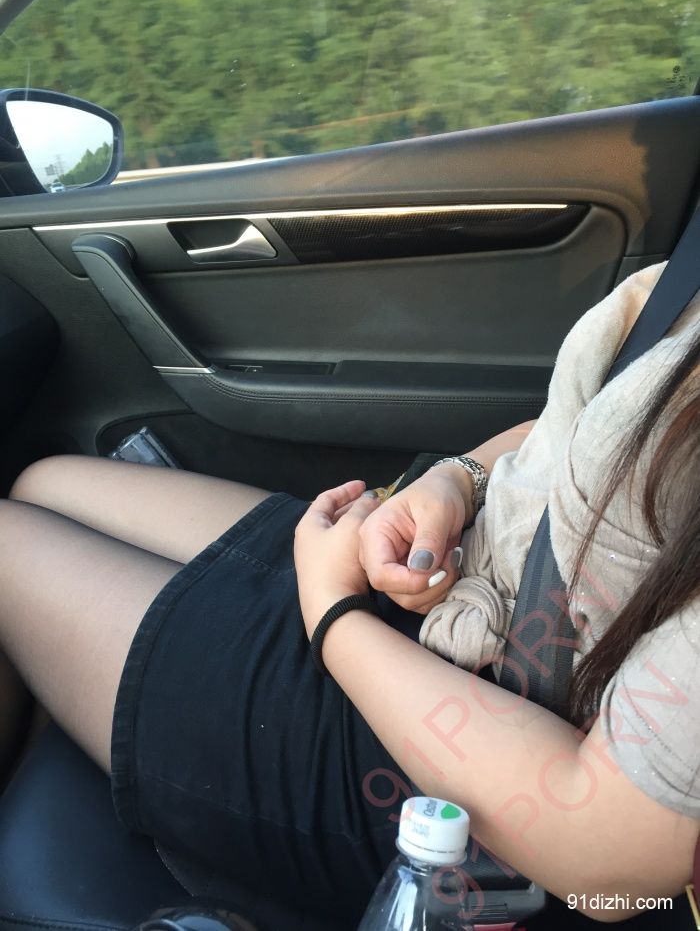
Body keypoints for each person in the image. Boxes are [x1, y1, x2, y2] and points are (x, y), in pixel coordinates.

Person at [0, 262, 697, 925]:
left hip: (463, 759)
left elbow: (604, 862)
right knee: (43, 483)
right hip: (447, 586)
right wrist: (455, 481)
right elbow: (566, 423)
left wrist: (333, 613)